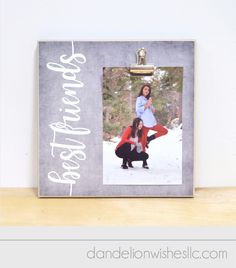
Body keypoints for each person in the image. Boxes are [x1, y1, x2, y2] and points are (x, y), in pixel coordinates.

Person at [136, 84, 168, 148]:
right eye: (145, 89)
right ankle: (140, 156)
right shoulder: (139, 99)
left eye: (148, 90)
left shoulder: (148, 99)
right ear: (142, 90)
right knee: (143, 144)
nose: (147, 91)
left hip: (152, 123)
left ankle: (149, 139)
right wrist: (147, 104)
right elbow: (138, 110)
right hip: (144, 124)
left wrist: (150, 104)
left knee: (164, 131)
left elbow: (153, 111)